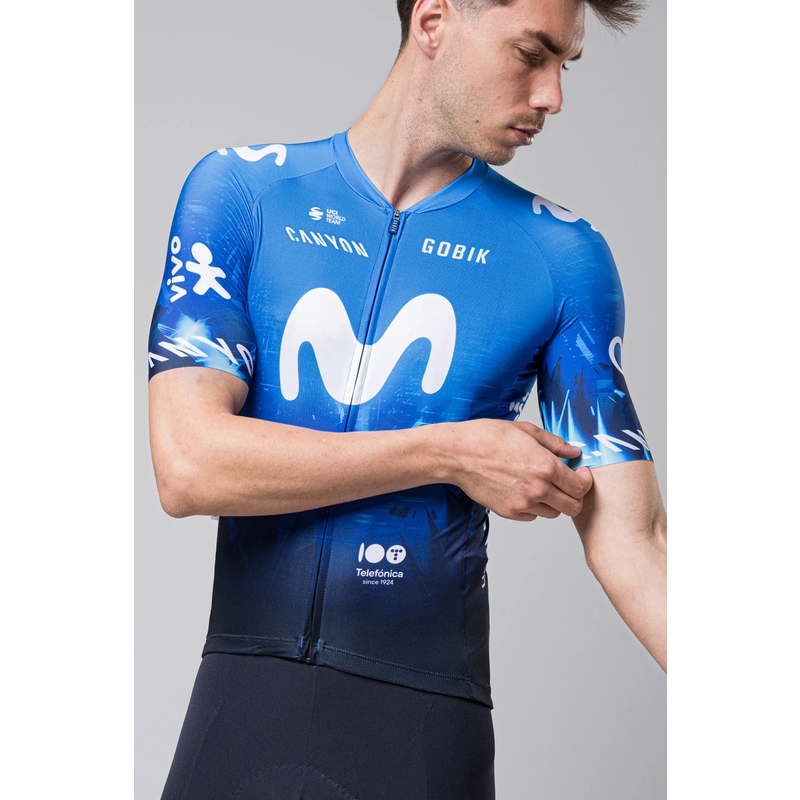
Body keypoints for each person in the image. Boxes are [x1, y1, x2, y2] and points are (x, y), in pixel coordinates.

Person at [147, 0, 666, 796]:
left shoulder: (562, 256)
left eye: (565, 66)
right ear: (432, 20)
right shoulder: (244, 192)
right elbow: (189, 464)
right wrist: (451, 451)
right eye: (531, 54)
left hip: (423, 732)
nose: (553, 96)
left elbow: (637, 540)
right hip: (240, 710)